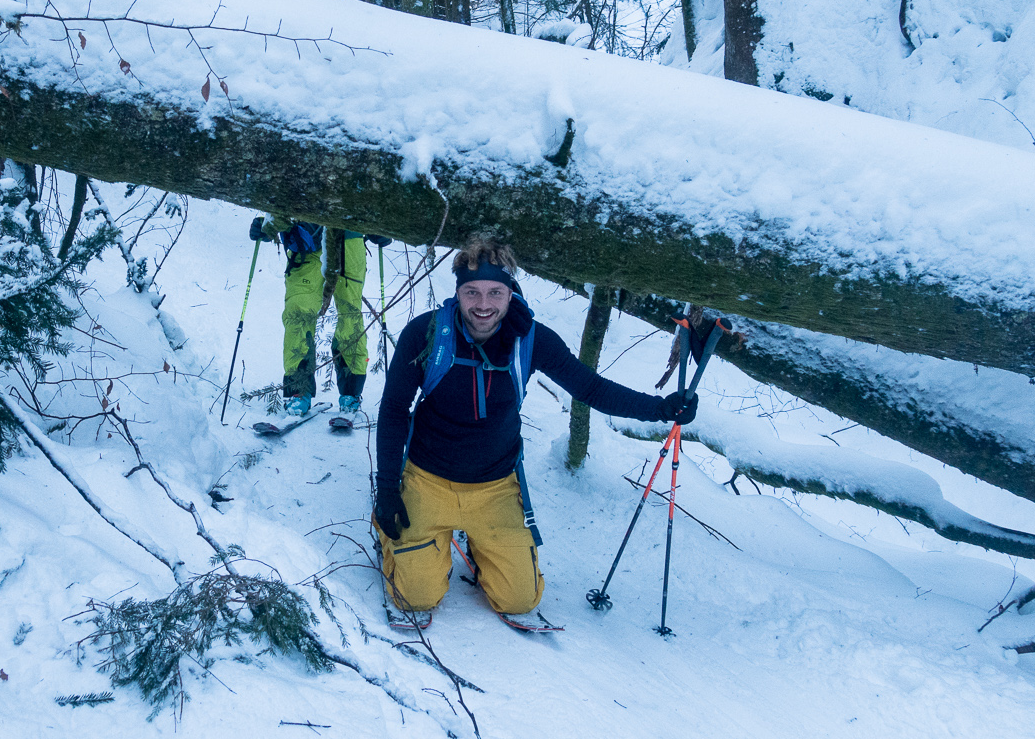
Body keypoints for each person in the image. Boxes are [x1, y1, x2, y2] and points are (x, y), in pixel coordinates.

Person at [371, 236, 698, 626]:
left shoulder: (531, 339)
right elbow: (393, 410)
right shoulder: (426, 334)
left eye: (495, 292)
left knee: (521, 600)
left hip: (495, 486)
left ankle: (477, 547)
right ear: (457, 293)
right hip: (427, 478)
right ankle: (399, 544)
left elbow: (590, 388)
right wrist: (388, 489)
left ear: (511, 294)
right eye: (471, 292)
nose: (482, 305)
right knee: (414, 597)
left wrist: (660, 409)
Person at [249, 215, 390, 417]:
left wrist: (378, 222)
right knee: (298, 313)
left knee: (350, 314)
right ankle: (299, 390)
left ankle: (351, 392)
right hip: (305, 238)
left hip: (349, 237)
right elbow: (278, 192)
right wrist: (268, 224)